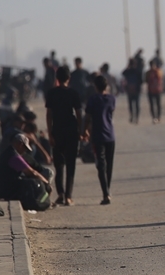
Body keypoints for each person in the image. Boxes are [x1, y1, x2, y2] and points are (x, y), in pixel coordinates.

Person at [45, 65, 83, 206]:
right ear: (69, 78)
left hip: (57, 131)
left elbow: (49, 115)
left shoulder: (51, 93)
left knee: (59, 164)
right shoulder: (73, 93)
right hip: (71, 131)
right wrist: (81, 130)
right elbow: (79, 114)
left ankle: (60, 193)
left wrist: (50, 134)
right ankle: (68, 196)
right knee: (71, 164)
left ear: (57, 78)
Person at [0, 133, 54, 202]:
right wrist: (47, 184)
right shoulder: (14, 157)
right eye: (25, 148)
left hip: (4, 192)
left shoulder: (5, 154)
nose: (24, 151)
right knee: (35, 181)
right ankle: (45, 201)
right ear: (20, 145)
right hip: (10, 193)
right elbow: (32, 173)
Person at [84, 75, 116, 205]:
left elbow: (87, 117)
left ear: (95, 86)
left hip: (97, 136)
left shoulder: (92, 100)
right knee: (109, 165)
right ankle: (107, 191)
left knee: (101, 165)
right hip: (110, 135)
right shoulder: (112, 99)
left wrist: (84, 130)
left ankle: (105, 193)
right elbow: (110, 112)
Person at [121, 58, 142, 124]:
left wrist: (127, 67)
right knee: (137, 105)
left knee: (130, 105)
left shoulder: (128, 71)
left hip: (129, 90)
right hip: (136, 90)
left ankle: (132, 116)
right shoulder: (138, 70)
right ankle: (137, 118)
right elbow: (141, 80)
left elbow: (123, 73)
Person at [145, 59, 164, 124]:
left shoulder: (157, 71)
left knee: (158, 105)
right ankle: (154, 117)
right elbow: (146, 80)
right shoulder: (149, 72)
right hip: (151, 90)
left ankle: (158, 117)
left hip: (157, 90)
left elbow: (160, 77)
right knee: (152, 105)